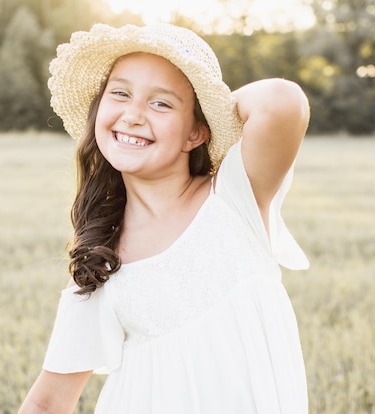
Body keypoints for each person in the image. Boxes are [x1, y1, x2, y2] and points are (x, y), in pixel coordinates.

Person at [19, 23, 311, 414]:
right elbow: (48, 402)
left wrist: (212, 116)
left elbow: (282, 100)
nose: (134, 115)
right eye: (120, 93)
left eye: (161, 104)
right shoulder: (101, 261)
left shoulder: (232, 198)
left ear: (195, 133)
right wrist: (180, 112)